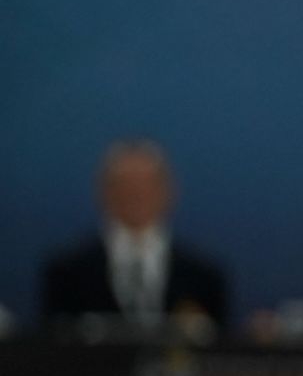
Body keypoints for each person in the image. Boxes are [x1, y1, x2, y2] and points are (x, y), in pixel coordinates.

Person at [40, 139, 229, 333]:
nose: (136, 194)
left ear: (169, 191)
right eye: (124, 184)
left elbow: (220, 351)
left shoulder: (203, 276)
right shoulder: (67, 273)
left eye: (146, 184)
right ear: (103, 191)